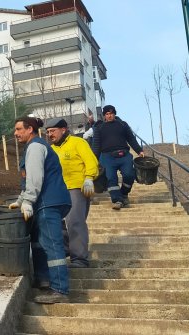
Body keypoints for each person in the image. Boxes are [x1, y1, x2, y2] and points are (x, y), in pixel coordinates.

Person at [9, 117, 72, 304]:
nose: (15, 133)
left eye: (19, 129)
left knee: (52, 245)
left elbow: (35, 178)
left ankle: (60, 290)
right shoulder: (35, 146)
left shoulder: (35, 147)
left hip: (47, 202)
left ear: (30, 130)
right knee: (40, 242)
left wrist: (28, 200)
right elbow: (30, 179)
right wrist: (21, 200)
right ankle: (44, 279)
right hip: (48, 201)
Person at [46, 118, 99, 268]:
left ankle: (80, 259)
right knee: (58, 222)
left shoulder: (78, 143)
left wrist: (89, 178)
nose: (50, 134)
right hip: (58, 190)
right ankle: (65, 250)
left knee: (75, 221)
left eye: (53, 131)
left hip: (77, 188)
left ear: (63, 130)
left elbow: (91, 161)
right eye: (48, 132)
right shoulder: (51, 150)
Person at [91, 105, 144, 210]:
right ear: (104, 115)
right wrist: (93, 159)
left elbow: (131, 138)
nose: (109, 116)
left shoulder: (122, 125)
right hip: (107, 157)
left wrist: (139, 150)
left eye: (111, 113)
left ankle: (124, 193)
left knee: (129, 175)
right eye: (107, 114)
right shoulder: (99, 128)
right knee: (111, 179)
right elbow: (96, 145)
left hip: (124, 155)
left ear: (114, 114)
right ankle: (117, 200)